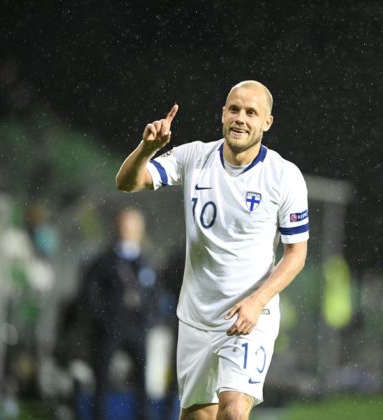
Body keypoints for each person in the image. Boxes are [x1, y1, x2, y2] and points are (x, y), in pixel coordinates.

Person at [116, 80, 308, 420]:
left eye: (251, 113)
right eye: (234, 109)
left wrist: (257, 301)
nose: (240, 118)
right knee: (198, 416)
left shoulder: (283, 176)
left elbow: (296, 254)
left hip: (249, 316)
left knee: (233, 411)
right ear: (222, 114)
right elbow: (127, 183)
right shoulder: (194, 156)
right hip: (197, 318)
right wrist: (147, 148)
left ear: (267, 122)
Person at [84, 208, 159, 420]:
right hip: (111, 326)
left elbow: (155, 294)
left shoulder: (147, 261)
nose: (127, 230)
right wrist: (103, 319)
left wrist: (149, 319)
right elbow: (92, 293)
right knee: (102, 376)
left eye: (132, 225)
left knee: (142, 378)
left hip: (137, 326)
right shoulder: (105, 261)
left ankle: (143, 416)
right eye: (124, 225)